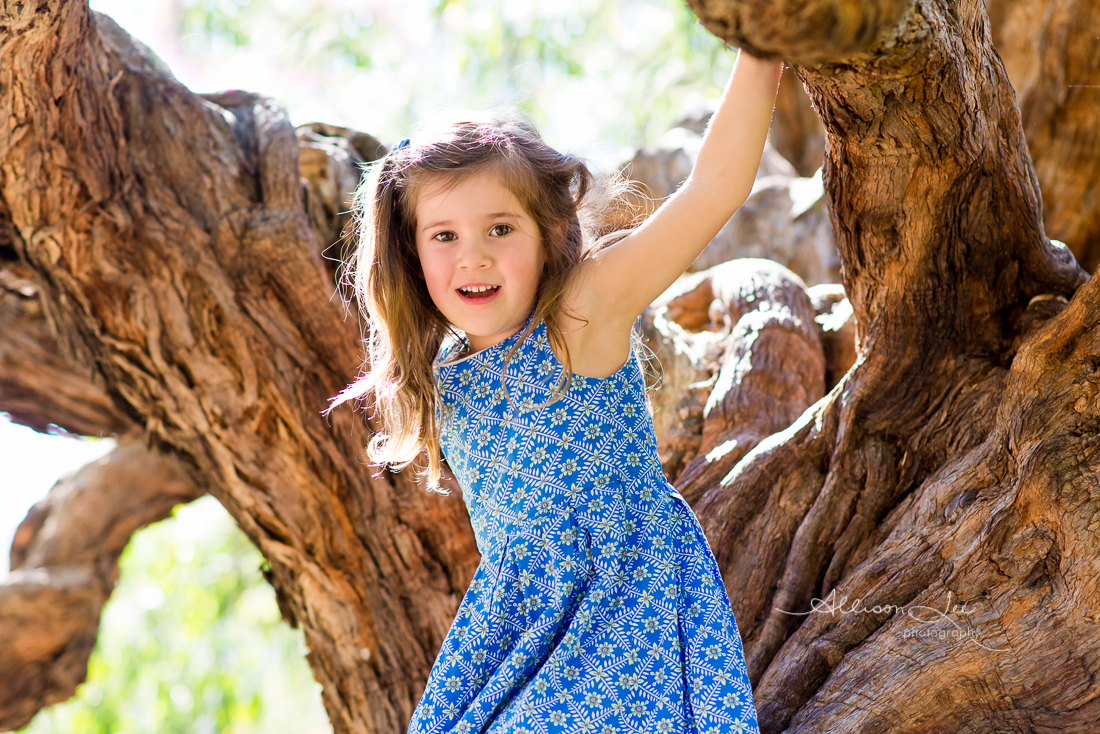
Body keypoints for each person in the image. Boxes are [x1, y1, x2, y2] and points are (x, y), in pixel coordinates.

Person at [328, 48, 783, 734]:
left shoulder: (579, 317)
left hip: (626, 612)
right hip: (519, 641)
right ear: (414, 256)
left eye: (500, 229)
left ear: (549, 234)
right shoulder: (443, 384)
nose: (473, 255)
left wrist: (762, 45)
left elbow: (714, 187)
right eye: (444, 235)